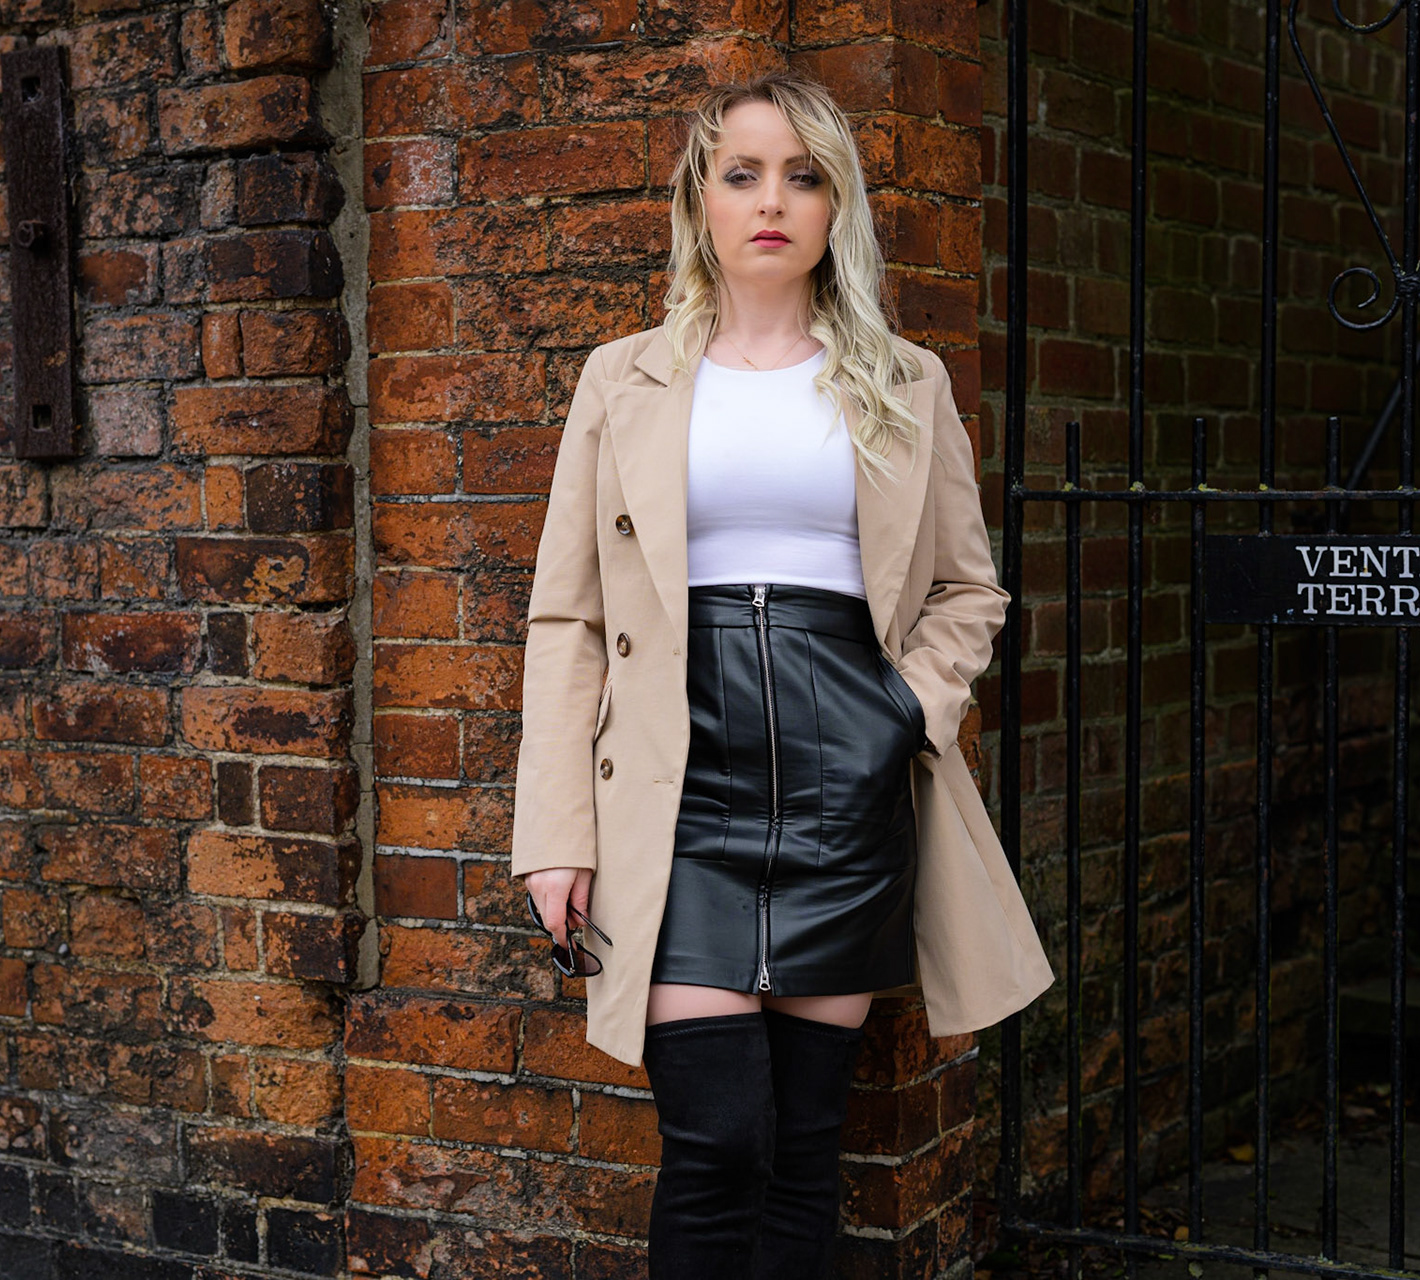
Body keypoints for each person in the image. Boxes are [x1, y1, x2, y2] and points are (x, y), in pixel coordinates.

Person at [510, 71, 1054, 1276]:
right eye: (743, 174)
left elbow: (969, 589)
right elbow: (569, 617)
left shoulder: (906, 381)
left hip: (843, 783)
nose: (772, 200)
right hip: (677, 790)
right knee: (717, 1140)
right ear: (698, 202)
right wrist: (554, 834)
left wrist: (901, 712)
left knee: (806, 1147)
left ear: (835, 206)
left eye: (803, 176)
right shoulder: (620, 378)